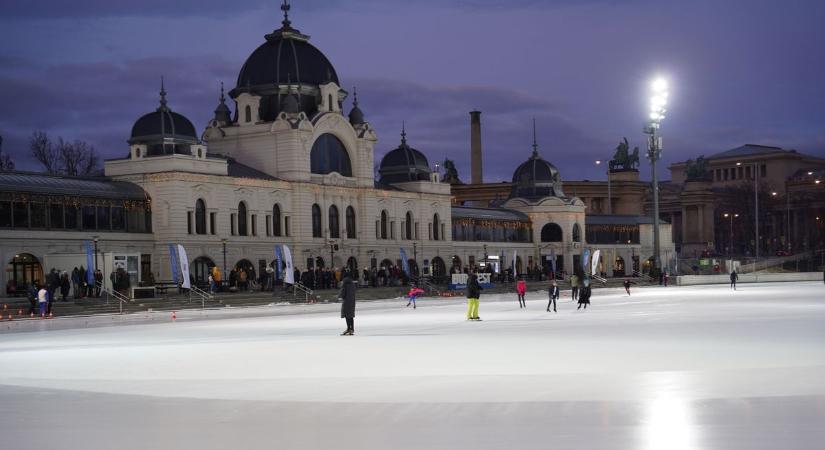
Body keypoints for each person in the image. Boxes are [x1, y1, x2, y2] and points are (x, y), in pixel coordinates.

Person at [339, 271, 357, 335]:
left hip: (346, 301)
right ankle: (351, 328)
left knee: (347, 315)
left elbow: (343, 292)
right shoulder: (352, 283)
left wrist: (340, 296)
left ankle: (349, 328)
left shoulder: (344, 283)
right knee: (350, 315)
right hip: (352, 301)